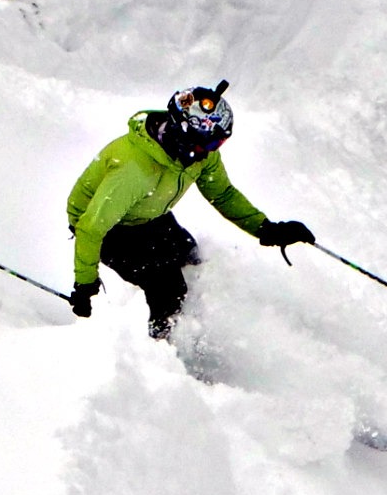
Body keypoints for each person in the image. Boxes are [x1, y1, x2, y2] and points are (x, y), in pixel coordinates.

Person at [66, 81, 314, 338]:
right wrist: (85, 284)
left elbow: (222, 193)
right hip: (110, 229)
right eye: (209, 145)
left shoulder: (198, 155)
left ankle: (193, 331)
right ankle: (161, 353)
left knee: (192, 258)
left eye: (217, 145)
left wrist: (267, 229)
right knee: (167, 286)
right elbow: (91, 226)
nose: (211, 152)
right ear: (181, 133)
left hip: (149, 214)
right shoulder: (134, 170)